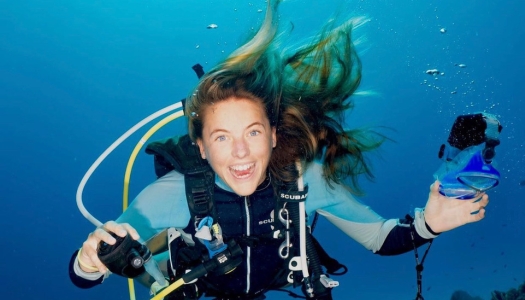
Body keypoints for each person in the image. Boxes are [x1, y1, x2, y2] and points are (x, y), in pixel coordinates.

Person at [68, 1, 490, 299]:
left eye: (252, 133)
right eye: (220, 138)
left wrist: (428, 224)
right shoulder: (177, 192)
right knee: (151, 252)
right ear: (200, 147)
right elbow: (88, 272)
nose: (240, 154)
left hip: (284, 284)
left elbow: (380, 239)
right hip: (201, 288)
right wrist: (90, 260)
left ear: (273, 135)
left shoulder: (304, 181)